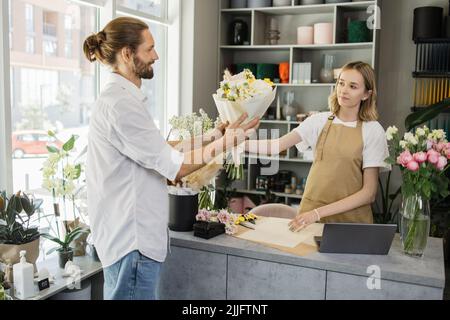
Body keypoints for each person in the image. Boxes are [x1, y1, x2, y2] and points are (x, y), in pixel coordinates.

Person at [83, 17, 259, 300]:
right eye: (149, 49)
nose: (156, 55)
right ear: (127, 54)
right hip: (133, 244)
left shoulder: (120, 99)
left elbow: (158, 148)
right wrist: (227, 143)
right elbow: (174, 167)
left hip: (128, 241)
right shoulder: (121, 105)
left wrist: (214, 136)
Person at [246, 61, 389, 232]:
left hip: (351, 223)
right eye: (341, 83)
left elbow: (369, 193)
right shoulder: (318, 121)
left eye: (353, 86)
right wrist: (238, 143)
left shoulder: (372, 130)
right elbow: (276, 146)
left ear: (366, 94)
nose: (343, 90)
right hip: (309, 220)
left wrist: (317, 213)